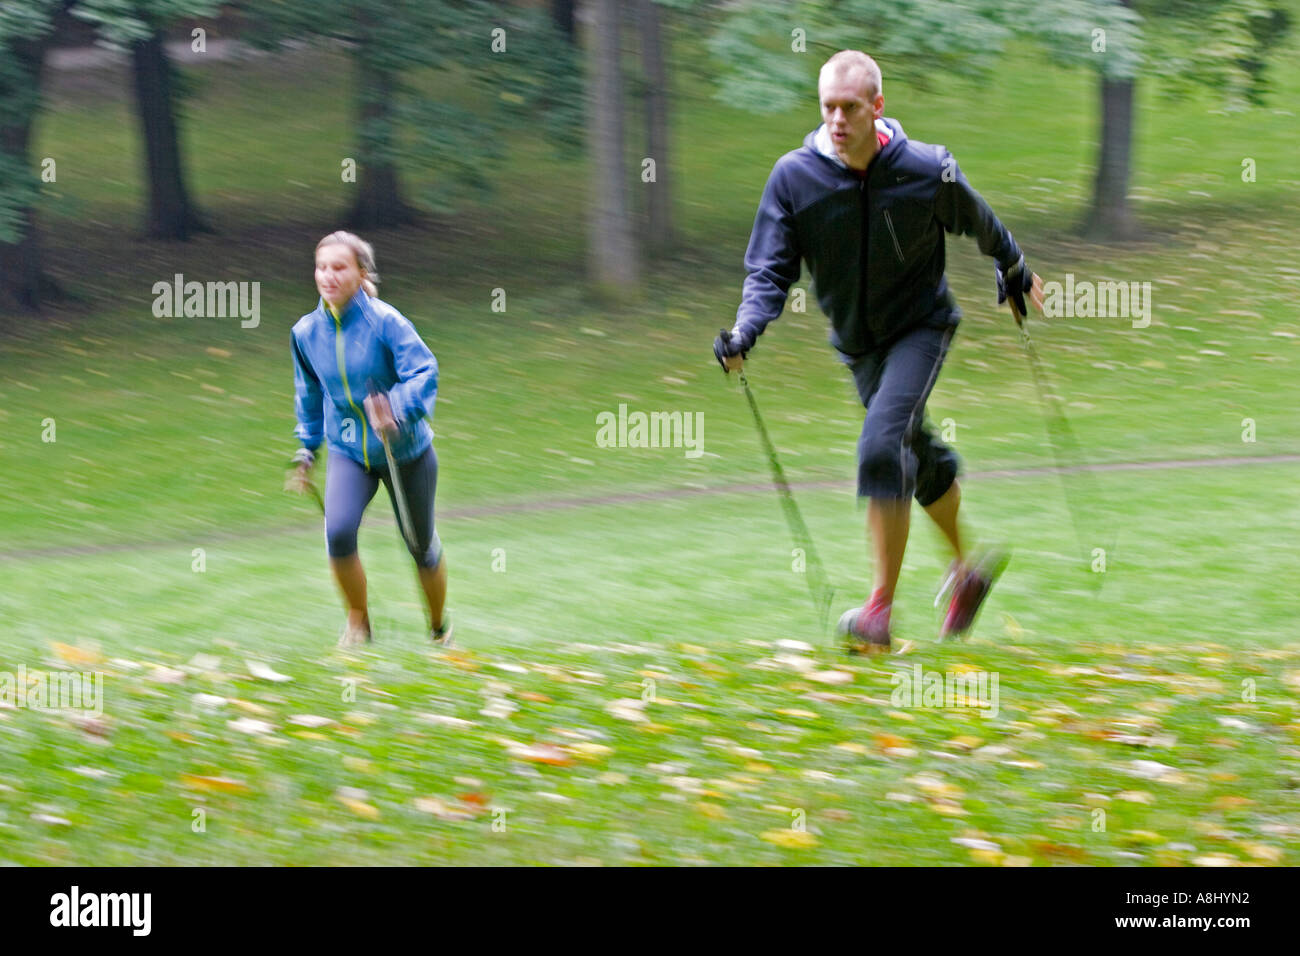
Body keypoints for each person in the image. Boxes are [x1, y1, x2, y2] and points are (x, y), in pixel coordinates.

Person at [714, 51, 1045, 654]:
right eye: (828, 108)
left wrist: (1014, 267)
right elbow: (769, 270)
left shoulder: (925, 170)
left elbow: (979, 220)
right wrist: (746, 331)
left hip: (921, 327)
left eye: (851, 107)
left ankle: (877, 613)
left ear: (877, 107)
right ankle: (967, 576)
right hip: (858, 346)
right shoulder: (794, 178)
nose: (838, 120)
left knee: (879, 445)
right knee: (917, 455)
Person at [286, 231, 450, 647]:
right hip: (348, 451)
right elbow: (309, 393)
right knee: (338, 533)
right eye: (322, 267)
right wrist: (307, 447)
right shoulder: (305, 333)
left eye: (339, 267)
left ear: (361, 273)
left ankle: (437, 630)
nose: (328, 275)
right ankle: (359, 625)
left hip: (405, 451)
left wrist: (395, 407)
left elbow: (424, 371)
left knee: (419, 544)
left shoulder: (386, 322)